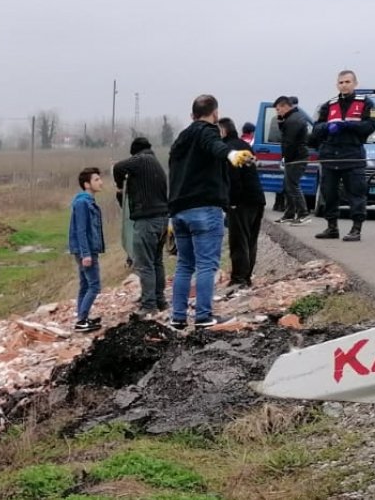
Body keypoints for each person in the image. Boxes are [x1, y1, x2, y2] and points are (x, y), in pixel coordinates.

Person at [167, 95, 255, 329]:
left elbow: (174, 174)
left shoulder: (180, 140)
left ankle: (177, 317)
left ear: (191, 115)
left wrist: (170, 212)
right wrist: (232, 154)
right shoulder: (207, 130)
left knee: (185, 264)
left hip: (179, 211)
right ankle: (204, 317)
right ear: (215, 114)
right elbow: (214, 145)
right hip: (205, 208)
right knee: (207, 264)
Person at [308, 70, 375, 242]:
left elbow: (371, 125)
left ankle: (356, 228)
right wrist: (328, 127)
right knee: (329, 193)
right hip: (330, 155)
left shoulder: (366, 103)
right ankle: (332, 227)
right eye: (341, 82)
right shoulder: (329, 105)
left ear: (355, 83)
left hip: (353, 155)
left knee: (356, 193)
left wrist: (347, 126)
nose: (344, 85)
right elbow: (316, 128)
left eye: (347, 82)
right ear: (337, 85)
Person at [113, 137, 170, 317]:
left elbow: (118, 167)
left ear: (135, 152)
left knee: (145, 265)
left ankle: (149, 305)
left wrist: (120, 187)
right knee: (157, 262)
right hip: (162, 220)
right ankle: (160, 301)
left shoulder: (141, 159)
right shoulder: (156, 164)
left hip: (147, 221)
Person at [219, 118, 264, 288]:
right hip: (257, 198)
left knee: (238, 240)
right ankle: (246, 277)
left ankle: (238, 279)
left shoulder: (229, 149)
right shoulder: (244, 145)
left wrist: (232, 202)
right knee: (250, 240)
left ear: (223, 131)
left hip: (242, 201)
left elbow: (233, 178)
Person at [68, 167, 105, 332]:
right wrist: (86, 254)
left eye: (99, 179)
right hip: (86, 250)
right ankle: (81, 321)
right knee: (94, 285)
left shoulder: (88, 201)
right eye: (96, 179)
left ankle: (82, 318)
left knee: (84, 284)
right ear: (87, 184)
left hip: (88, 249)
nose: (100, 182)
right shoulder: (82, 203)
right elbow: (81, 230)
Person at [272, 95, 314, 225]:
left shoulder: (293, 120)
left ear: (285, 106)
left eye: (278, 109)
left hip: (297, 157)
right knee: (287, 185)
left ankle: (303, 213)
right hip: (295, 156)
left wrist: (286, 158)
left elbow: (289, 142)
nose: (278, 112)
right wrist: (280, 121)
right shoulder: (291, 118)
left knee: (293, 185)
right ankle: (289, 213)